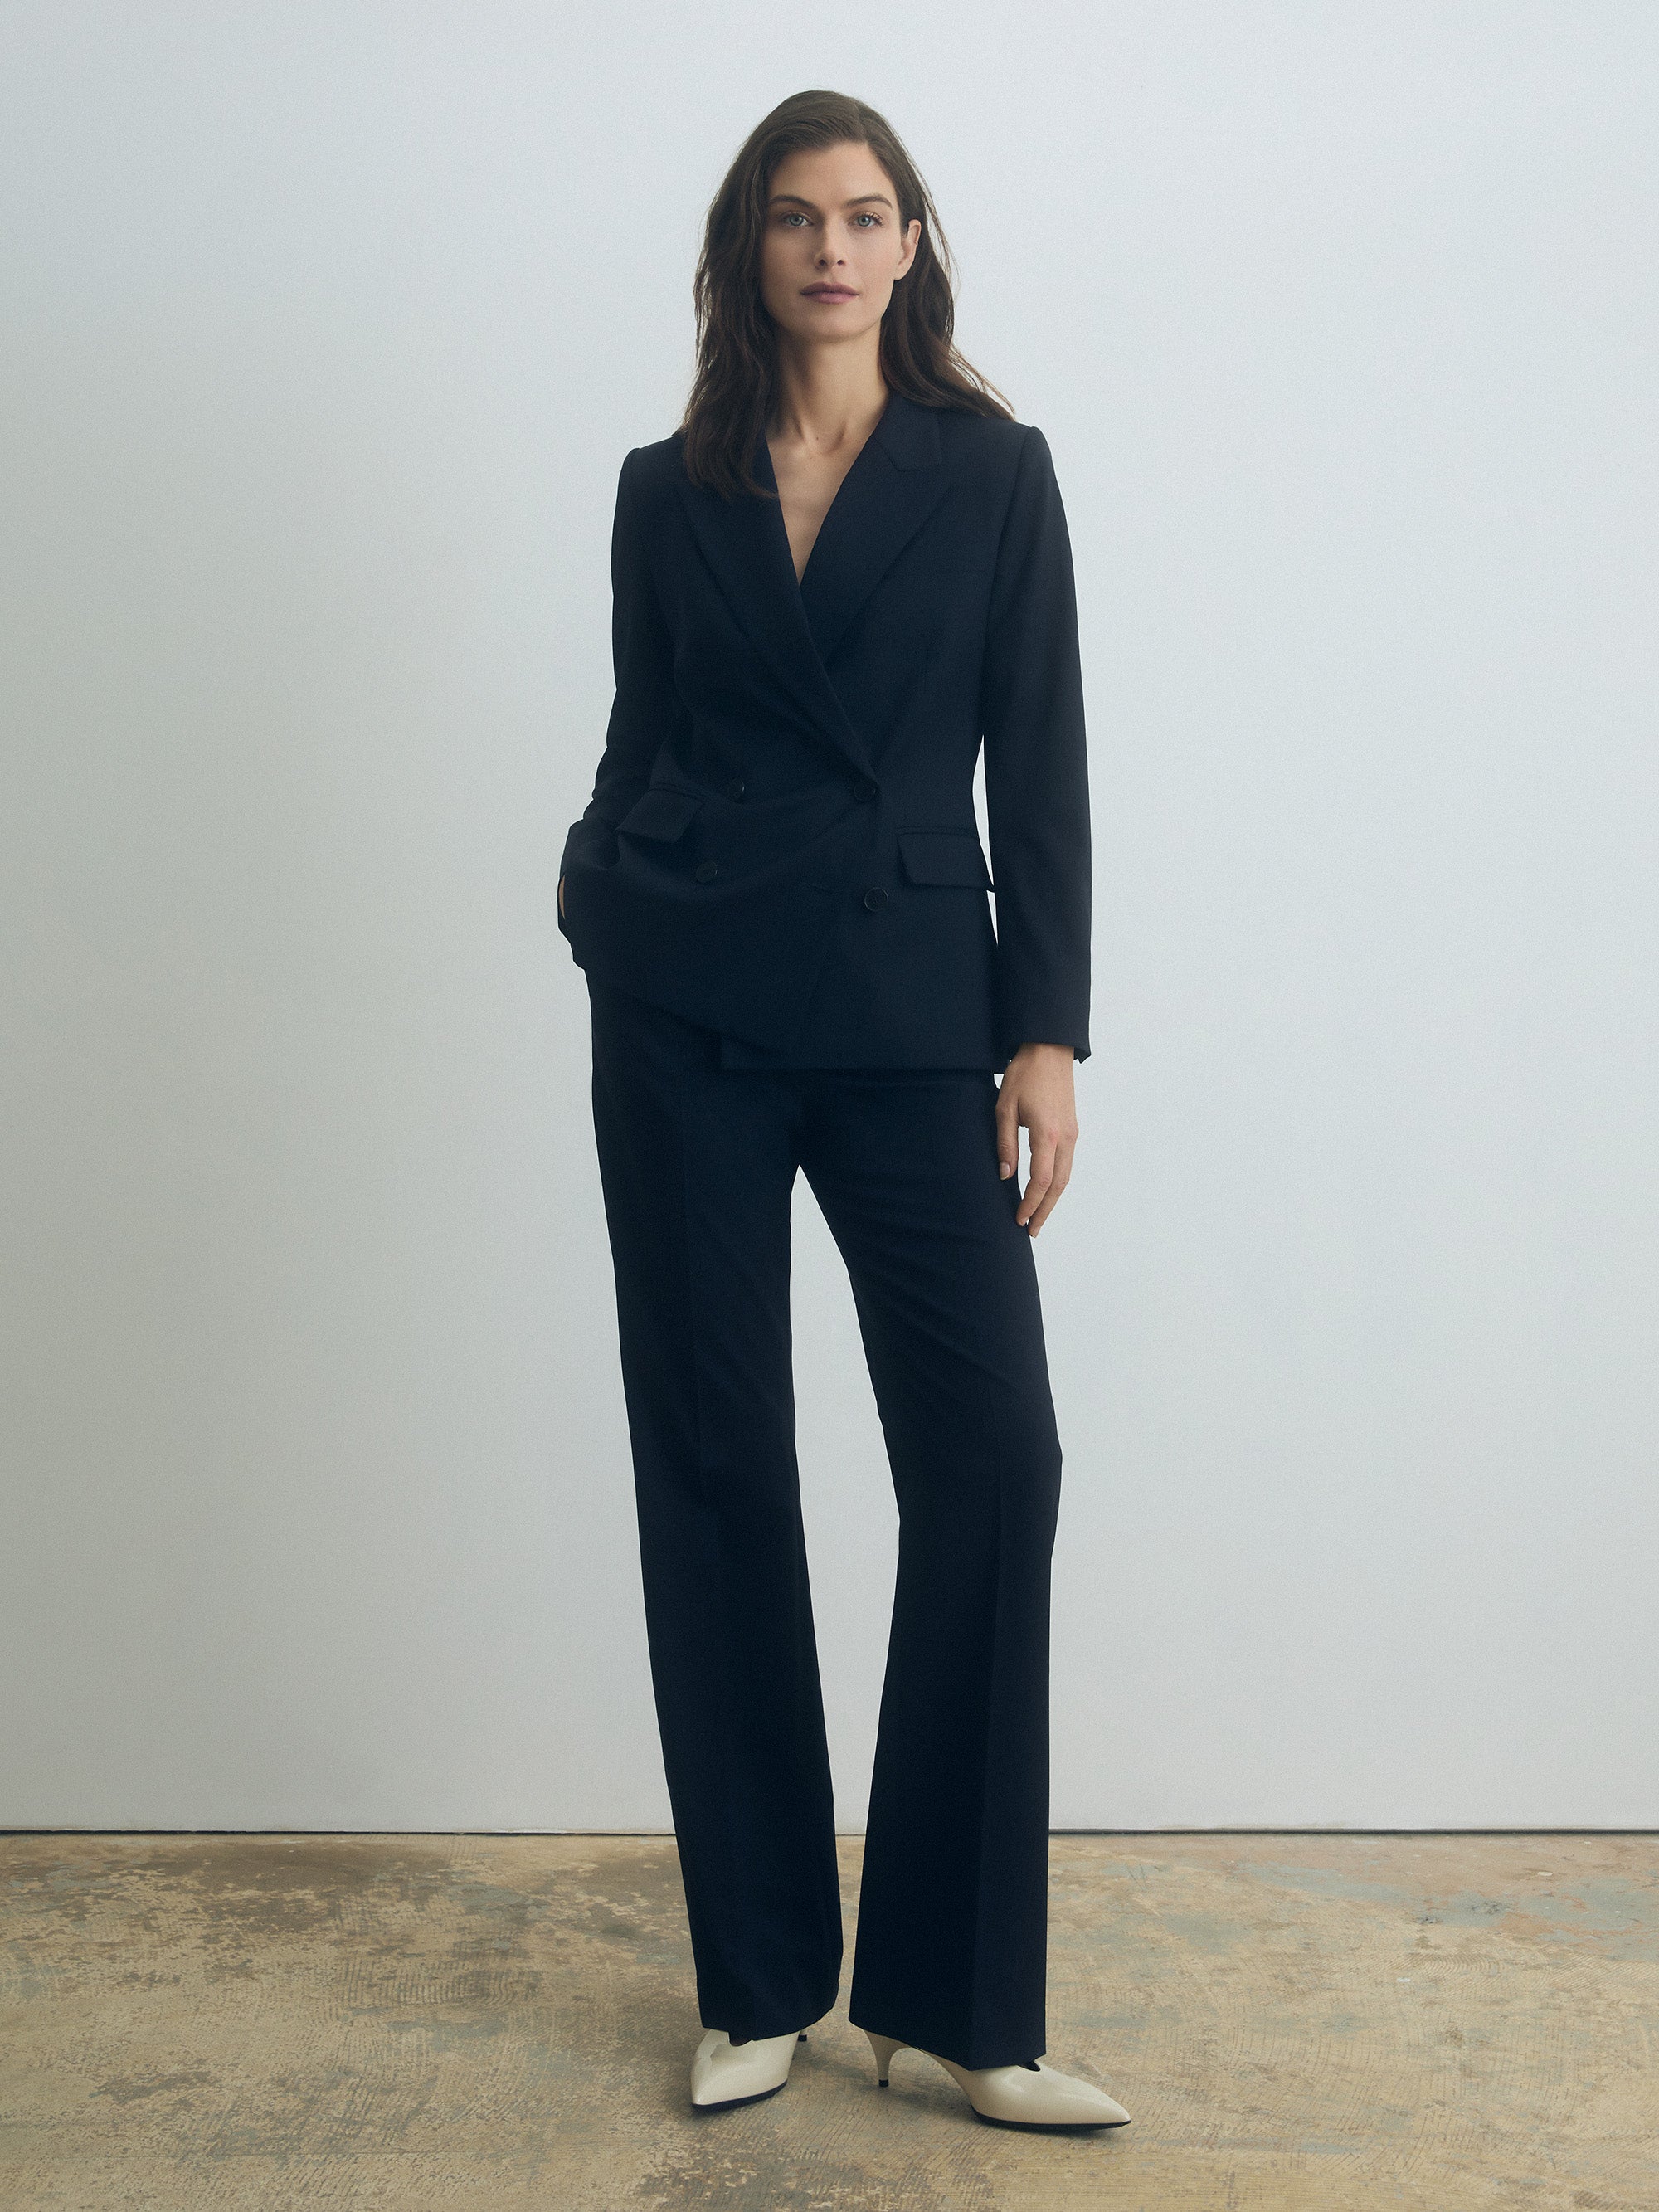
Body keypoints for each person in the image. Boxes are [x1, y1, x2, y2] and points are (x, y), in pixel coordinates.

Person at [556, 89, 1128, 2133]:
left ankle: (958, 2006)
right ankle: (760, 1977)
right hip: (683, 1010)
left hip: (905, 1015)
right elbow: (643, 730)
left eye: (866, 214)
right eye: (796, 217)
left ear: (910, 245)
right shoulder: (668, 487)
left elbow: (1036, 759)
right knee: (716, 1465)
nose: (831, 248)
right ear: (749, 249)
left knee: (992, 1456)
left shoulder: (993, 471)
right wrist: (599, 903)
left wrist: (1043, 1034)